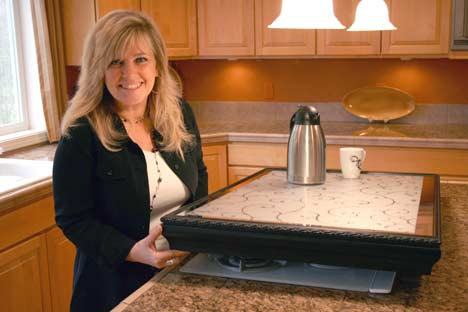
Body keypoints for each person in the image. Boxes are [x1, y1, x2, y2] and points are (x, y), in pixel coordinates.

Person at [53, 10, 208, 311]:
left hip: (180, 274)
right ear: (99, 69)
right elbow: (73, 219)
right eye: (115, 62)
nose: (130, 75)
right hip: (113, 286)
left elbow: (199, 177)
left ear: (158, 66)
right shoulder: (81, 134)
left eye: (140, 59)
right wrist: (133, 251)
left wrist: (195, 238)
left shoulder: (179, 114)